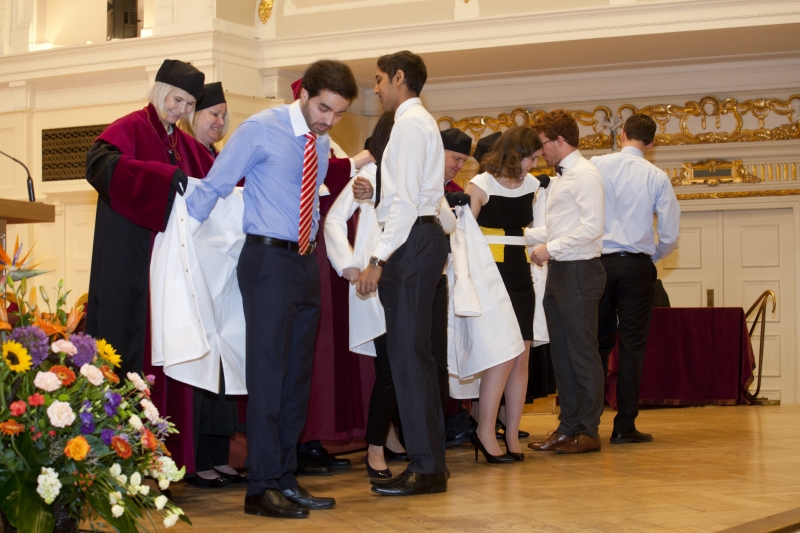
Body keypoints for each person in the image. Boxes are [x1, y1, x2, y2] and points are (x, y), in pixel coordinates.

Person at [186, 59, 359, 519]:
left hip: (304, 261)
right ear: (303, 94)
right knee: (268, 376)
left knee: (297, 379)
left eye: (338, 114)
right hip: (266, 261)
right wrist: (176, 237)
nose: (328, 120)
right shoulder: (260, 129)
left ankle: (283, 477)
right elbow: (216, 184)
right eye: (324, 108)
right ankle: (260, 488)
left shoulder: (319, 144)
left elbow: (313, 200)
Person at [326, 112, 456, 479]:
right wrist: (348, 264)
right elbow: (334, 220)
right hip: (375, 279)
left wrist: (432, 199)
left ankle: (407, 445)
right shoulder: (367, 176)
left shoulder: (407, 179)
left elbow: (448, 224)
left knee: (416, 365)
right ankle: (375, 447)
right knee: (389, 370)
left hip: (412, 276)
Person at [353, 50, 449, 496]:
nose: (375, 88)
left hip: (411, 244)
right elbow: (409, 199)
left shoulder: (410, 125)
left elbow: (407, 205)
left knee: (409, 360)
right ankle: (430, 462)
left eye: (378, 80)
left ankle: (427, 466)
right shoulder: (417, 123)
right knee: (415, 359)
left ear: (398, 77)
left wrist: (377, 258)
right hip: (421, 241)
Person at [85, 59, 212, 378]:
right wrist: (161, 177)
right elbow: (98, 165)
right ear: (160, 93)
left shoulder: (185, 144)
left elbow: (214, 183)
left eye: (190, 104)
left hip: (172, 268)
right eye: (177, 100)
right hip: (130, 259)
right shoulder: (130, 127)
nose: (182, 109)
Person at [589, 113, 680, 444]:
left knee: (596, 344)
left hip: (597, 264)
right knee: (632, 347)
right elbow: (670, 234)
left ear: (622, 134)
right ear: (652, 143)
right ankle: (624, 424)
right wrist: (650, 256)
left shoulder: (596, 165)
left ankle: (587, 423)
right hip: (636, 267)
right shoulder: (656, 176)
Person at [174, 82, 245, 488]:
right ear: (190, 115)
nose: (219, 122)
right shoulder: (183, 152)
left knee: (223, 363)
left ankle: (218, 456)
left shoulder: (217, 156)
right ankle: (198, 460)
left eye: (223, 116)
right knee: (201, 366)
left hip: (221, 272)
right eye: (211, 114)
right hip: (194, 269)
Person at [525, 109, 606, 454]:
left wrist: (548, 248)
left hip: (580, 272)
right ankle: (568, 426)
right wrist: (519, 234)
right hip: (561, 271)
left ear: (560, 140)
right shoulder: (561, 178)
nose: (541, 151)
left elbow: (592, 228)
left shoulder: (585, 174)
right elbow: (557, 230)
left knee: (582, 354)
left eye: (543, 144)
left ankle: (588, 430)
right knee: (562, 355)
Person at [464, 126, 542, 463]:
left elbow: (536, 229)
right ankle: (484, 431)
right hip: (489, 275)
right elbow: (464, 236)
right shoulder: (480, 184)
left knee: (522, 355)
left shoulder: (534, 185)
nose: (534, 165)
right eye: (531, 158)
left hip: (520, 274)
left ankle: (512, 432)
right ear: (515, 154)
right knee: (500, 356)